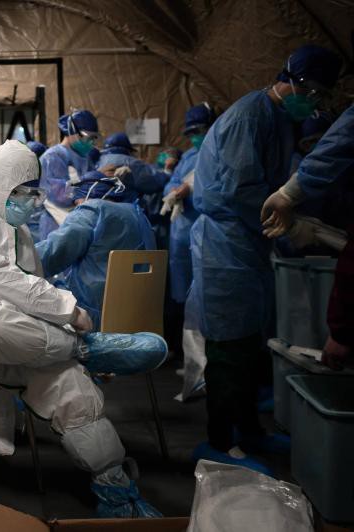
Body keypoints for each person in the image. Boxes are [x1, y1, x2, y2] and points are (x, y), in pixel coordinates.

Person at [0, 140, 167, 518]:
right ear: (0, 182)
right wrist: (68, 311)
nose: (30, 201)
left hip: (2, 346)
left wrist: (58, 317)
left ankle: (116, 487)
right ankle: (87, 349)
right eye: (23, 192)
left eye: (34, 194)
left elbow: (31, 296)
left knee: (66, 378)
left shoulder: (20, 234)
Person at [188, 45, 342, 474]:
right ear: (288, 78)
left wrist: (295, 217)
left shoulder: (278, 119)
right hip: (225, 244)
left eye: (320, 94)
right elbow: (241, 189)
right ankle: (218, 442)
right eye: (309, 90)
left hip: (248, 242)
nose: (312, 100)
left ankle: (249, 431)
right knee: (227, 346)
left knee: (250, 343)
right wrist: (289, 223)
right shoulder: (250, 115)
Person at [261, 103, 353, 372]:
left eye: (320, 141)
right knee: (299, 322)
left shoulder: (340, 171)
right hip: (302, 260)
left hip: (337, 260)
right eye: (310, 142)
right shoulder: (297, 167)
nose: (316, 148)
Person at [36, 170, 156, 329]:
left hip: (94, 313)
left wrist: (20, 256)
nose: (76, 208)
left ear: (85, 197)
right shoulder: (137, 213)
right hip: (139, 311)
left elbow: (54, 252)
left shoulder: (92, 210)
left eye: (76, 204)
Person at [159, 103, 216, 401]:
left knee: (205, 298)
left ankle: (206, 364)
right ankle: (193, 361)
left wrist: (188, 189)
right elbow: (170, 183)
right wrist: (174, 187)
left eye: (199, 131)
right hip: (182, 235)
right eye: (191, 132)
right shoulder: (190, 156)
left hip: (203, 233)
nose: (195, 137)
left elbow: (211, 186)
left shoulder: (217, 149)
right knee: (185, 299)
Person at [37, 110, 100, 241]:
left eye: (94, 138)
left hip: (76, 220)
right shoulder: (53, 156)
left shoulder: (84, 157)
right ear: (72, 132)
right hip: (56, 223)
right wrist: (81, 191)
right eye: (87, 137)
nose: (91, 142)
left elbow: (90, 186)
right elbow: (57, 194)